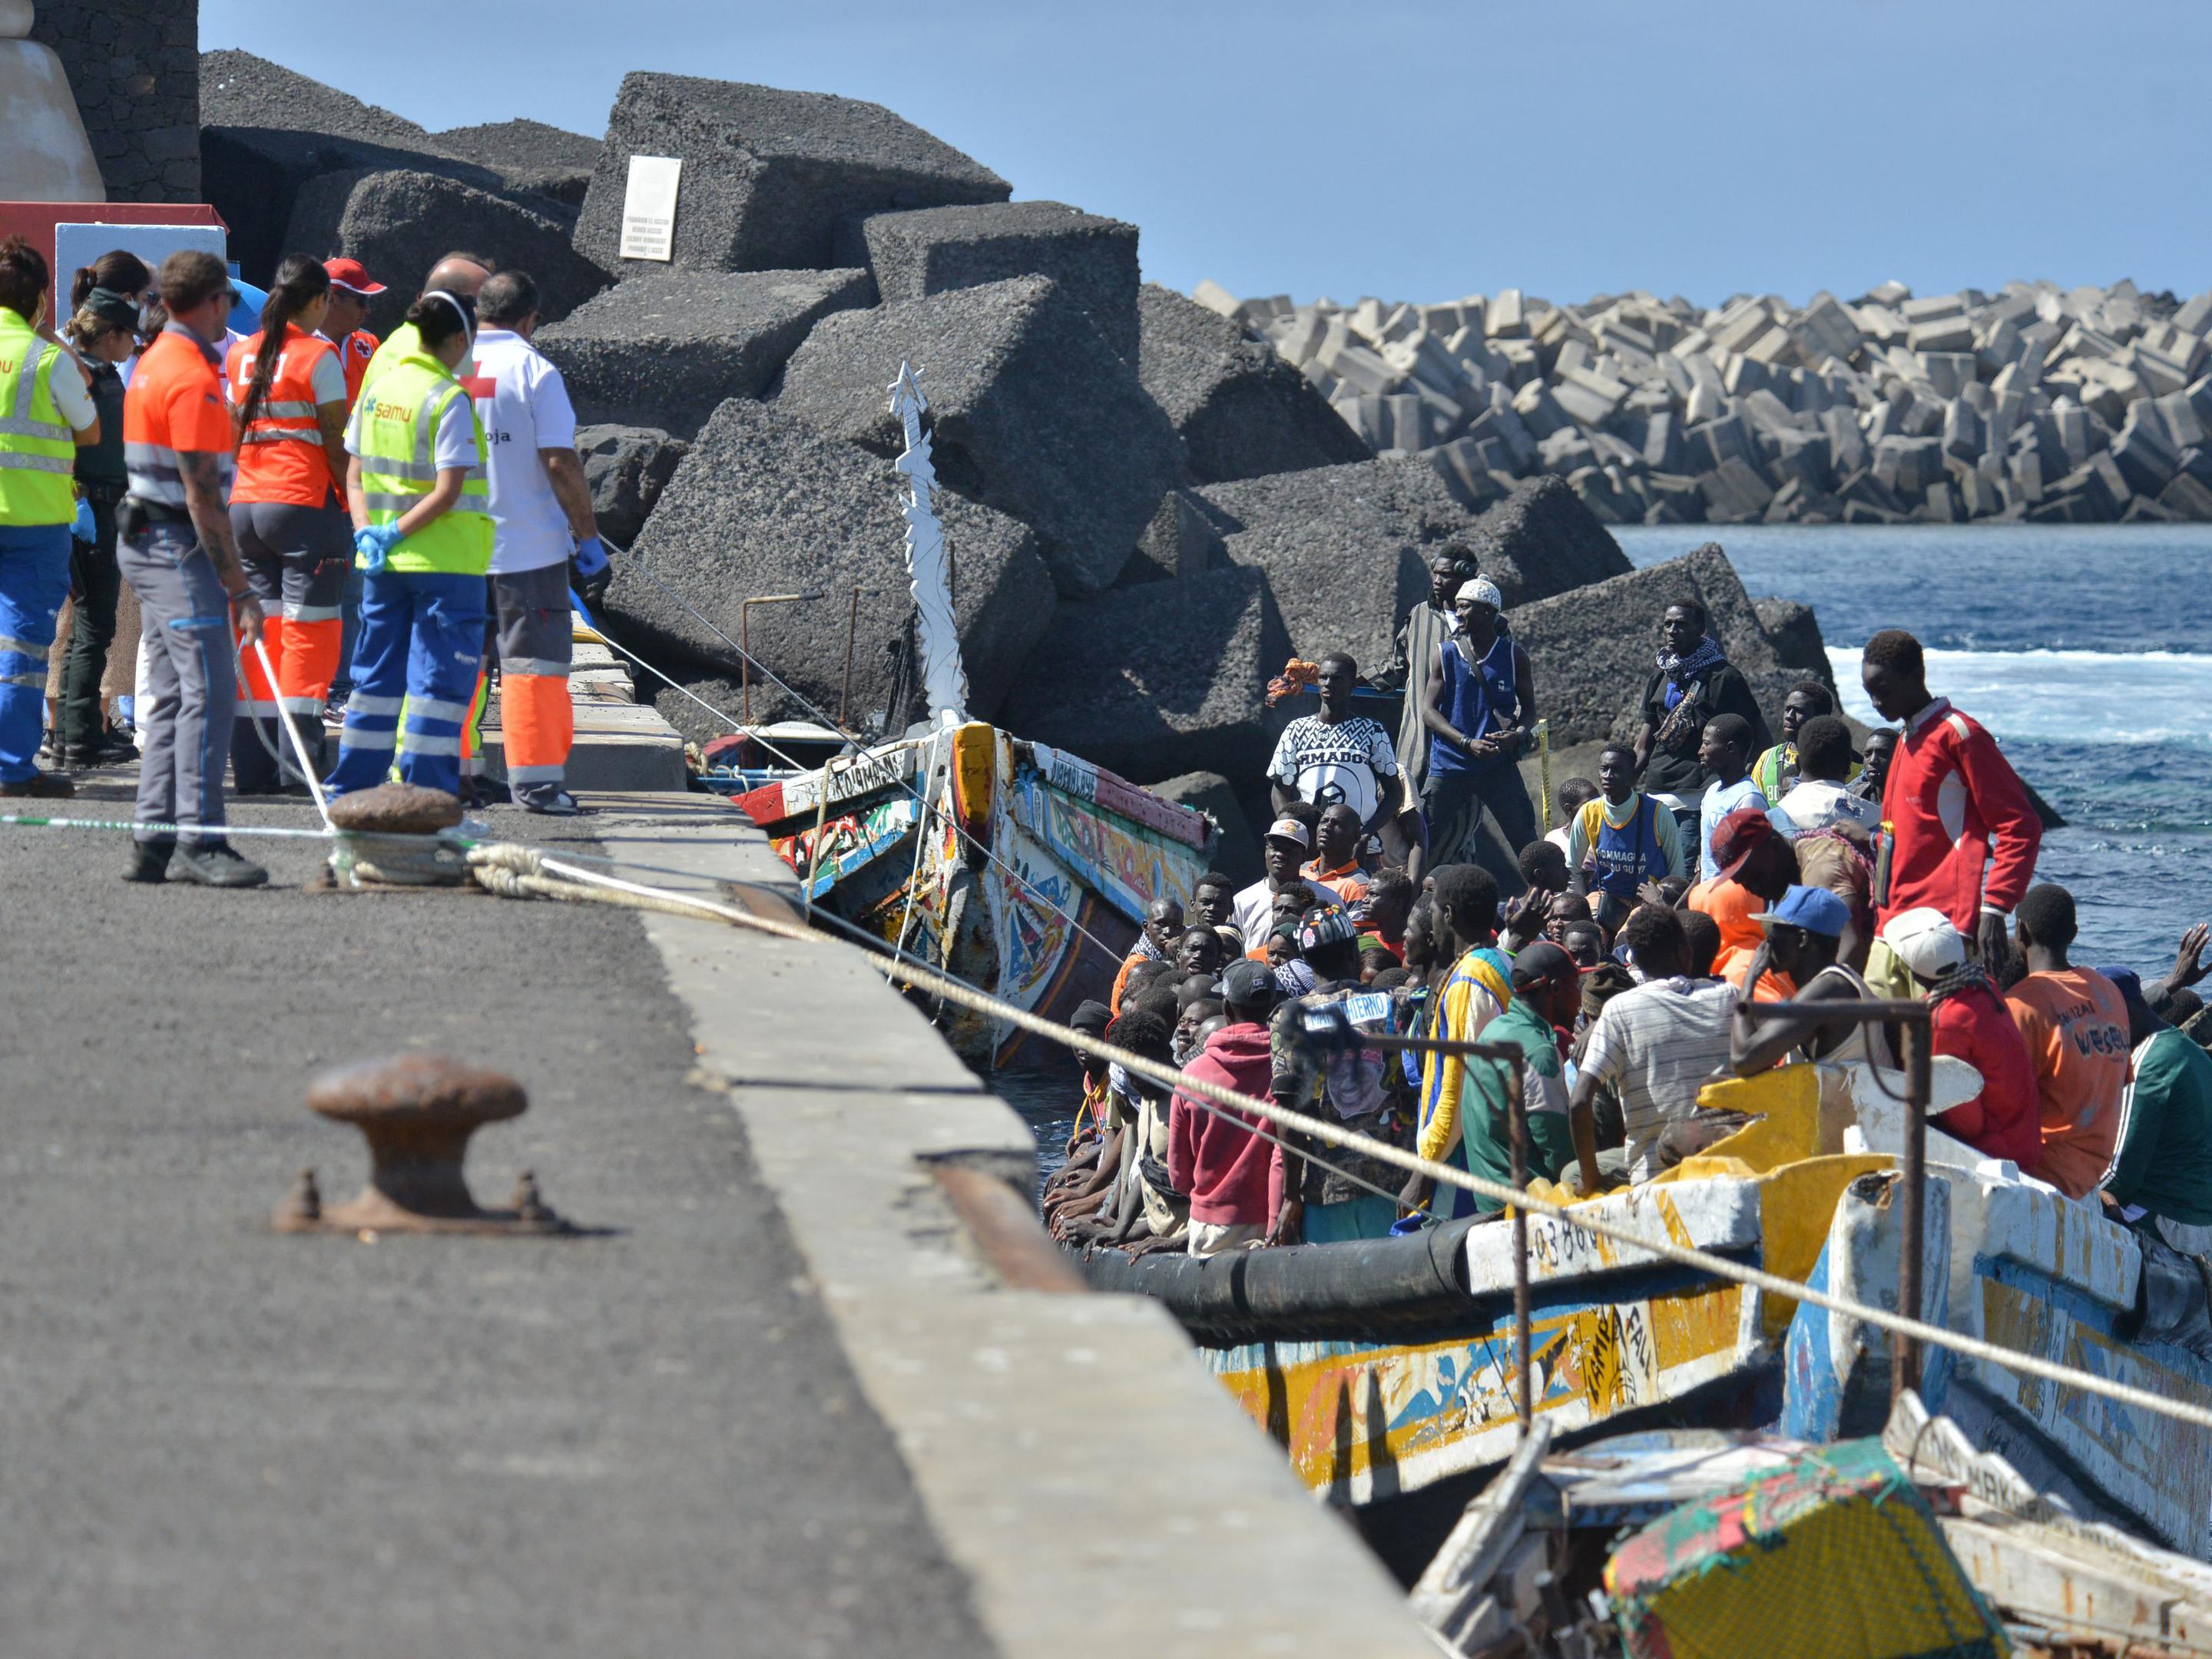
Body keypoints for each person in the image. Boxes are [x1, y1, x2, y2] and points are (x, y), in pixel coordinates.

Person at [115, 250, 269, 882]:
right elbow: (205, 497)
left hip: (150, 537)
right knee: (210, 692)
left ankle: (154, 838)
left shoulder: (152, 363)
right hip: (177, 544)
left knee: (175, 694)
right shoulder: (193, 378)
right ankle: (201, 841)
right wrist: (240, 589)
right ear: (214, 303)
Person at [326, 290, 490, 798]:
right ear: (459, 338)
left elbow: (353, 473)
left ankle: (352, 789)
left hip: (381, 564)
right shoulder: (448, 397)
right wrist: (399, 531)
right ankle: (425, 797)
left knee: (373, 681)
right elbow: (449, 490)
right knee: (436, 689)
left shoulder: (379, 389)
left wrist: (367, 531)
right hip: (447, 565)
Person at [460, 271, 607, 813]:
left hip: (455, 546)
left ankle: (459, 779)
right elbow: (558, 461)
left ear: (479, 314)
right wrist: (588, 536)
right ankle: (538, 786)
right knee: (533, 670)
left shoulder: (451, 365)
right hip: (526, 550)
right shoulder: (534, 372)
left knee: (461, 665)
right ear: (529, 320)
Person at [223, 254, 353, 794]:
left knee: (259, 631)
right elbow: (334, 442)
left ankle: (253, 768)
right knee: (310, 633)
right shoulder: (318, 355)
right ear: (318, 301)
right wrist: (354, 505)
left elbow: (232, 432)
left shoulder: (242, 353)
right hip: (304, 506)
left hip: (247, 508)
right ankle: (300, 768)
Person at [1861, 628, 2042, 976]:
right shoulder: (1906, 737)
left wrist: (1994, 907)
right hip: (1890, 924)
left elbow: (2020, 824)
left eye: (1883, 692)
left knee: (1936, 1031)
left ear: (1916, 676)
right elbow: (1908, 834)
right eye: (1869, 694)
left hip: (1941, 930)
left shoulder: (1959, 735)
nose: (1876, 704)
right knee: (1873, 1026)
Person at [0, 237, 104, 797]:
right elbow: (89, 427)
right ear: (40, 300)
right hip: (33, 521)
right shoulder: (44, 358)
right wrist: (43, 335)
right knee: (20, 650)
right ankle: (11, 767)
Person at [1569, 904, 1740, 1187]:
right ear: (1686, 954)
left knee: (1570, 1175)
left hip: (1654, 1180)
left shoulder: (1620, 1011)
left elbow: (1579, 1102)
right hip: (1730, 1166)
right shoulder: (1729, 997)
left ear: (1635, 960)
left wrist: (1590, 1180)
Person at [1267, 908, 1409, 1244]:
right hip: (1397, 1187)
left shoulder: (1288, 1018)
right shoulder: (1395, 1004)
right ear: (1353, 954)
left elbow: (1289, 1115)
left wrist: (1290, 1196)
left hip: (1325, 1193)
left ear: (1306, 960)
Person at [1879, 907, 2041, 1167]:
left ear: (1914, 972)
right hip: (2025, 1138)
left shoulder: (1944, 1023)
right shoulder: (1984, 985)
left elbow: (1969, 1124)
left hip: (1997, 1153)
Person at [51, 285, 137, 768]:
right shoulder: (96, 379)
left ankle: (69, 732)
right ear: (112, 335)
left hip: (84, 506)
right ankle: (81, 735)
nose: (133, 348)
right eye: (130, 338)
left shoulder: (80, 371)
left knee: (86, 624)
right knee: (94, 625)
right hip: (94, 508)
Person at [2005, 883, 2130, 1200]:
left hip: (2044, 1173)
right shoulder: (2109, 992)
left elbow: (2002, 1104)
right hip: (2094, 1170)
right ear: (2073, 934)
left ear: (2021, 931)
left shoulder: (2020, 1007)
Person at [1407, 864, 1516, 1216]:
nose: (1432, 920)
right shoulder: (1491, 961)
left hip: (1463, 1159)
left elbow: (1457, 1085)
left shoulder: (1470, 977)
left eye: (1435, 911)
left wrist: (1425, 1168)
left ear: (1449, 915)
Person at [1419, 577, 1538, 886]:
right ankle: (1405, 900)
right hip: (1450, 764)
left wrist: (1518, 735)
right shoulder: (1444, 654)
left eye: (1465, 606)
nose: (1458, 613)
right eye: (1457, 606)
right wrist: (1465, 742)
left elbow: (1529, 711)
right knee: (1421, 838)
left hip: (1497, 766)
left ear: (1488, 610)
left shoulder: (1514, 656)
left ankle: (1546, 904)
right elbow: (1429, 711)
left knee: (1526, 840)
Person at [1167, 959, 1280, 1257]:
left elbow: (1179, 1176)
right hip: (1275, 1223)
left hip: (1210, 1226)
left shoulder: (1192, 1074)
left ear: (1227, 1010)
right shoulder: (1283, 1069)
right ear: (1273, 1009)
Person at [2101, 968, 2212, 1249]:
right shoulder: (2188, 1049)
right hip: (2198, 1217)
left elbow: (2120, 1174)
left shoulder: (2149, 1064)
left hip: (2166, 1220)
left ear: (2124, 1011)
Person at [1634, 598, 1770, 827]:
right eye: (1667, 625)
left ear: (1700, 630)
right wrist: (1619, 790)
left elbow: (1762, 739)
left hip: (1700, 799)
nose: (1672, 631)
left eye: (1680, 625)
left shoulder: (1725, 678)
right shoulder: (1660, 676)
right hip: (1656, 796)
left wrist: (1736, 785)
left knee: (1687, 864)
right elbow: (1643, 746)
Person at [1727, 886, 1872, 1070]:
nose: (1768, 939)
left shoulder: (1829, 988)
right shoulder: (1824, 985)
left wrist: (1749, 981)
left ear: (1802, 939)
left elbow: (1743, 1060)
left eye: (1776, 930)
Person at [1774, 714, 1877, 967]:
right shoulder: (1874, 823)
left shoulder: (1771, 822)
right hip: (1859, 958)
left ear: (1798, 764)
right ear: (1846, 766)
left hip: (1786, 953)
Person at [1267, 650, 1399, 843]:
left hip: (1360, 846)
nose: (1329, 684)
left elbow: (1395, 793)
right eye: (1323, 678)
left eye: (1337, 679)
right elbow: (1279, 790)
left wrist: (1366, 833)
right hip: (1310, 846)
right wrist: (1294, 832)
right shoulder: (1296, 730)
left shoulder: (1372, 731)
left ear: (1352, 684)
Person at [1381, 545, 1478, 805]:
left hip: (1464, 747)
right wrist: (1351, 679)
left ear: (1466, 576)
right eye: (1434, 573)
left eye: (1445, 575)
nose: (1437, 580)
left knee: (1456, 823)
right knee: (1404, 809)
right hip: (1416, 742)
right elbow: (1398, 666)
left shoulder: (1489, 624)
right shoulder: (1419, 615)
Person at [1565, 743, 1686, 931]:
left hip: (1647, 900)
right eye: (1604, 769)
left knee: (1626, 942)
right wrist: (1582, 907)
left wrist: (1663, 901)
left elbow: (1677, 870)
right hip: (1606, 898)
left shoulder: (1658, 813)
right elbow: (1571, 867)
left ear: (1632, 774)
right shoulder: (1588, 812)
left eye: (1616, 770)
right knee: (1586, 934)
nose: (1608, 776)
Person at [1690, 807, 1800, 998]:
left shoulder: (1741, 971)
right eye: (1744, 883)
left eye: (1753, 876)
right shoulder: (1766, 953)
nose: (1754, 888)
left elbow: (1776, 1025)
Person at [358, 250, 492, 395]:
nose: (487, 314)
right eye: (482, 304)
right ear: (454, 304)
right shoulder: (441, 350)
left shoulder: (392, 343)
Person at [1231, 819, 1343, 945]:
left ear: (1303, 857)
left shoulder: (1327, 899)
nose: (1280, 855)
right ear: (1266, 850)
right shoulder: (1242, 901)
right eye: (1275, 848)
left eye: (1289, 851)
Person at [1694, 714, 1767, 881]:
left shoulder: (1748, 798)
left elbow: (1751, 862)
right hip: (1709, 896)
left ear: (1730, 748)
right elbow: (1707, 860)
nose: (1700, 751)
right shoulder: (1712, 792)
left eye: (1707, 744)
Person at [1750, 681, 1847, 801]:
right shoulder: (1767, 759)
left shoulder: (1842, 765)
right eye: (1787, 709)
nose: (1789, 716)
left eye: (1798, 711)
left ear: (1820, 717)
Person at [317, 257, 383, 406]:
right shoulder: (296, 344)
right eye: (362, 301)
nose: (367, 309)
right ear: (333, 298)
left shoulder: (370, 344)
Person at [1111, 896, 1184, 1012]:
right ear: (1146, 927)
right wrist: (1169, 960)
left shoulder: (1182, 958)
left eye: (1176, 926)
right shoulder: (1137, 963)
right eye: (1161, 924)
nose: (1168, 932)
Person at [1302, 802, 1372, 904]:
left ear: (1356, 837)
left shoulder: (1358, 885)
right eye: (1324, 821)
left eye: (1337, 824)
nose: (1326, 828)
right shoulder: (1300, 870)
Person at [1191, 869, 1243, 957]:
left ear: (1231, 908)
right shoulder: (1182, 940)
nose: (1212, 908)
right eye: (1206, 902)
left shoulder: (1236, 941)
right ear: (1192, 905)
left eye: (1220, 904)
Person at [1545, 776, 1596, 861]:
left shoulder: (1605, 836)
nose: (1596, 807)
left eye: (1599, 801)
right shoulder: (1554, 839)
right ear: (1569, 809)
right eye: (1588, 804)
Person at [1851, 726, 1897, 807]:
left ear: (1898, 758)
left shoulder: (1912, 802)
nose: (1872, 760)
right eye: (1867, 754)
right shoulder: (1854, 795)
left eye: (1882, 754)